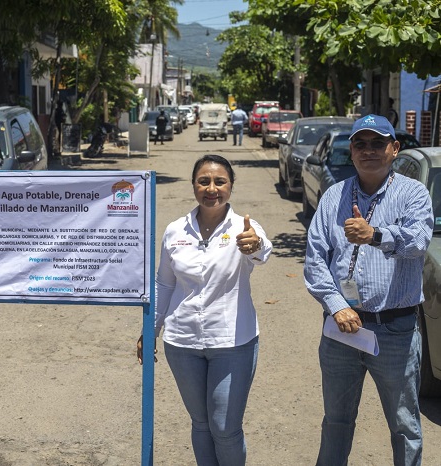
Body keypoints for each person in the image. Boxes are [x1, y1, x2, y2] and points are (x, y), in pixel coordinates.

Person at [304, 114, 433, 466]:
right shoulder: (333, 196)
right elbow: (315, 260)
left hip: (395, 330)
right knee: (336, 421)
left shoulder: (413, 193)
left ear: (394, 149)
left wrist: (375, 234)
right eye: (360, 143)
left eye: (378, 143)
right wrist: (335, 304)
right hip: (341, 328)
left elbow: (419, 241)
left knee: (404, 425)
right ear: (352, 151)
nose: (368, 150)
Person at [137, 154, 272, 465]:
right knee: (200, 423)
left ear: (231, 187)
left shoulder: (244, 228)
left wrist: (255, 246)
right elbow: (164, 285)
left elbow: (261, 250)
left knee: (225, 428)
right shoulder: (175, 230)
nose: (212, 188)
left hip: (232, 343)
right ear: (194, 185)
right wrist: (150, 330)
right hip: (182, 342)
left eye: (220, 181)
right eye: (204, 181)